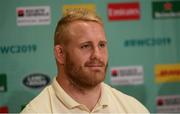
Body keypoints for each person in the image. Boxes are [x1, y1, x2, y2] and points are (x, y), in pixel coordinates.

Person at [21, 9, 149, 113]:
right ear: (60, 54)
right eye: (85, 46)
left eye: (102, 45)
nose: (97, 55)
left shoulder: (133, 109)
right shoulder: (36, 111)